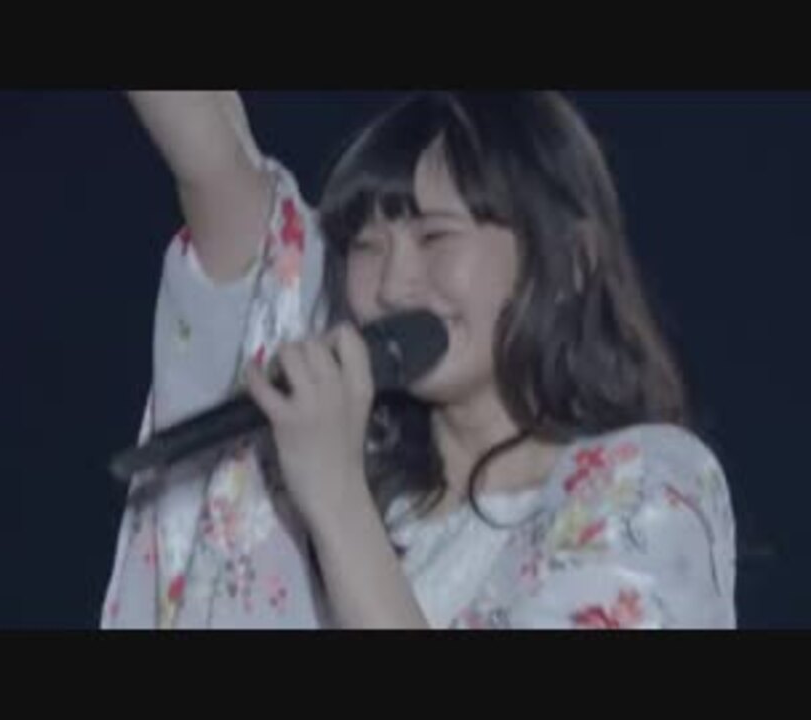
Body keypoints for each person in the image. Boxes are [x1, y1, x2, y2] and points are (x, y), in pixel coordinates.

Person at [101, 91, 736, 629]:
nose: (394, 286)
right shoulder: (348, 474)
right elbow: (217, 162)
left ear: (571, 260)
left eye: (436, 237)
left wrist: (336, 497)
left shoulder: (645, 492)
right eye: (366, 245)